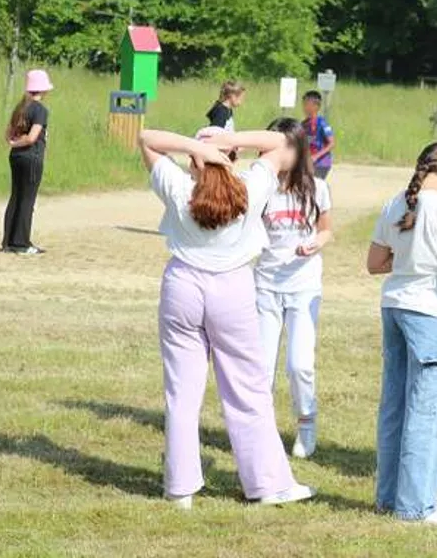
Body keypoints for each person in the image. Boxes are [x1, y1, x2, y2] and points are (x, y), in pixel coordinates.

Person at [138, 125, 316, 510]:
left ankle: (180, 488)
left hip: (183, 284)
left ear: (192, 161)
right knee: (248, 390)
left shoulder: (179, 187)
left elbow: (147, 137)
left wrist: (199, 148)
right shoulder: (251, 187)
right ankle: (266, 484)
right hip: (232, 288)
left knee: (182, 392)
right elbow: (280, 143)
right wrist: (228, 145)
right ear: (232, 158)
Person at [366, 142, 437, 526]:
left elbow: (374, 263)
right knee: (425, 410)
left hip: (394, 304)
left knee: (395, 405)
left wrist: (410, 259)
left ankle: (388, 496)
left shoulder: (396, 202)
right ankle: (418, 506)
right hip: (430, 312)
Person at [255, 119, 333, 458]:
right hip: (265, 286)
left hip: (303, 287)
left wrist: (315, 243)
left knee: (299, 364)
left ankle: (306, 422)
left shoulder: (316, 187)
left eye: (284, 145)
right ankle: (259, 429)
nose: (277, 153)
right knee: (261, 365)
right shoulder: (260, 186)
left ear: (298, 149)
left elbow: (327, 230)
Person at [2, 69, 53, 255]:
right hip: (32, 157)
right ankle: (21, 242)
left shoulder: (20, 108)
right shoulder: (40, 110)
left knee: (16, 196)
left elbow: (7, 133)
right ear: (43, 90)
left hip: (15, 157)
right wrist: (21, 142)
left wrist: (13, 144)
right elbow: (32, 138)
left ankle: (8, 240)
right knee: (27, 199)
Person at [301, 91, 335, 179]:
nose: (304, 107)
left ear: (316, 106)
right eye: (304, 104)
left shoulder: (322, 123)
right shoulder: (304, 124)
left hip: (321, 163)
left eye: (307, 104)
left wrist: (316, 156)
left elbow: (331, 143)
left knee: (315, 187)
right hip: (309, 162)